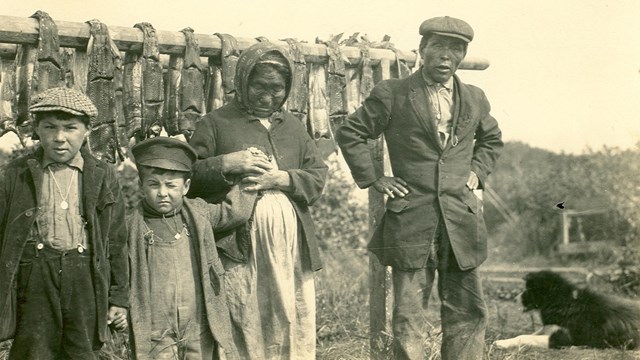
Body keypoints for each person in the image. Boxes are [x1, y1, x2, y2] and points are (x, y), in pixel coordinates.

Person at [336, 16, 503, 360]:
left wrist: (477, 171)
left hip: (461, 219)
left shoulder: (474, 97)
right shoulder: (393, 93)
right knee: (409, 314)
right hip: (412, 219)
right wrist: (375, 178)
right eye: (438, 46)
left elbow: (491, 139)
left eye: (455, 48)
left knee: (467, 310)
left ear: (462, 55)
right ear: (422, 50)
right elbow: (351, 132)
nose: (445, 56)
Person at [187, 41, 328, 359]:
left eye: (277, 89)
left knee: (290, 314)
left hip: (289, 249)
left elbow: (318, 176)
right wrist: (227, 163)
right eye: (259, 86)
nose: (268, 96)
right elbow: (188, 175)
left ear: (288, 88)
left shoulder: (292, 126)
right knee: (245, 316)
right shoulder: (215, 123)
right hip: (238, 247)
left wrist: (282, 178)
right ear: (242, 81)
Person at [0, 87, 129, 359]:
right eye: (50, 127)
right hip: (33, 277)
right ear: (36, 128)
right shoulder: (16, 173)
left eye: (70, 128)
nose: (59, 138)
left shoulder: (103, 174)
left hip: (85, 276)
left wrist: (118, 297)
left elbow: (116, 239)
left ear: (86, 130)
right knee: (32, 351)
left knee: (81, 351)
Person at [127, 137, 256, 359]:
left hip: (198, 323)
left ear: (185, 187)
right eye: (153, 184)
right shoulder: (132, 225)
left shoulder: (199, 214)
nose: (163, 193)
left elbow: (234, 212)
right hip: (156, 328)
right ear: (142, 185)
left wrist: (251, 179)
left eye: (171, 185)